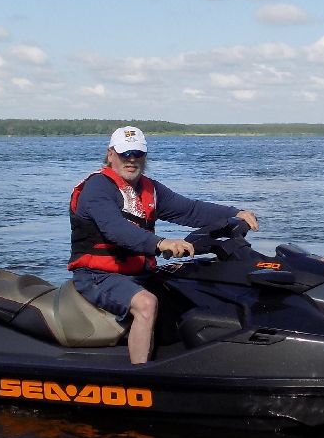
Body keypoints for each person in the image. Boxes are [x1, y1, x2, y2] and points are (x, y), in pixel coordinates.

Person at [69, 125, 259, 364]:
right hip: (97, 275)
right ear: (110, 155)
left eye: (137, 154)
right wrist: (160, 243)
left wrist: (235, 213)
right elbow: (116, 229)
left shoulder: (150, 190)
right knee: (146, 304)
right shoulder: (97, 188)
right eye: (125, 153)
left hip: (138, 273)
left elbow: (190, 210)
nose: (131, 160)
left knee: (193, 291)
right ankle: (140, 379)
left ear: (144, 156)